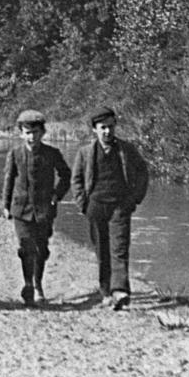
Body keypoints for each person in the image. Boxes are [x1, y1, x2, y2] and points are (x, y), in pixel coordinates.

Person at [71, 106, 149, 310]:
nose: (107, 131)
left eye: (111, 127)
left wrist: (134, 199)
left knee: (119, 249)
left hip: (120, 207)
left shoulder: (126, 150)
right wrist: (83, 204)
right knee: (102, 250)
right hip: (95, 207)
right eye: (103, 127)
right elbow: (77, 180)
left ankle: (120, 291)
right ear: (94, 130)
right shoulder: (85, 153)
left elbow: (142, 173)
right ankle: (105, 290)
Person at [1, 109, 71, 307]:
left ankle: (39, 284)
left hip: (44, 210)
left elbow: (66, 176)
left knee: (41, 248)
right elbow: (8, 180)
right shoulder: (14, 154)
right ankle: (28, 284)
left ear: (43, 133)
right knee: (26, 247)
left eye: (36, 132)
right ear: (21, 133)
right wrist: (5, 205)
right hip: (21, 210)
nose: (31, 137)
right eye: (27, 132)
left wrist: (56, 195)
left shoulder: (52, 154)